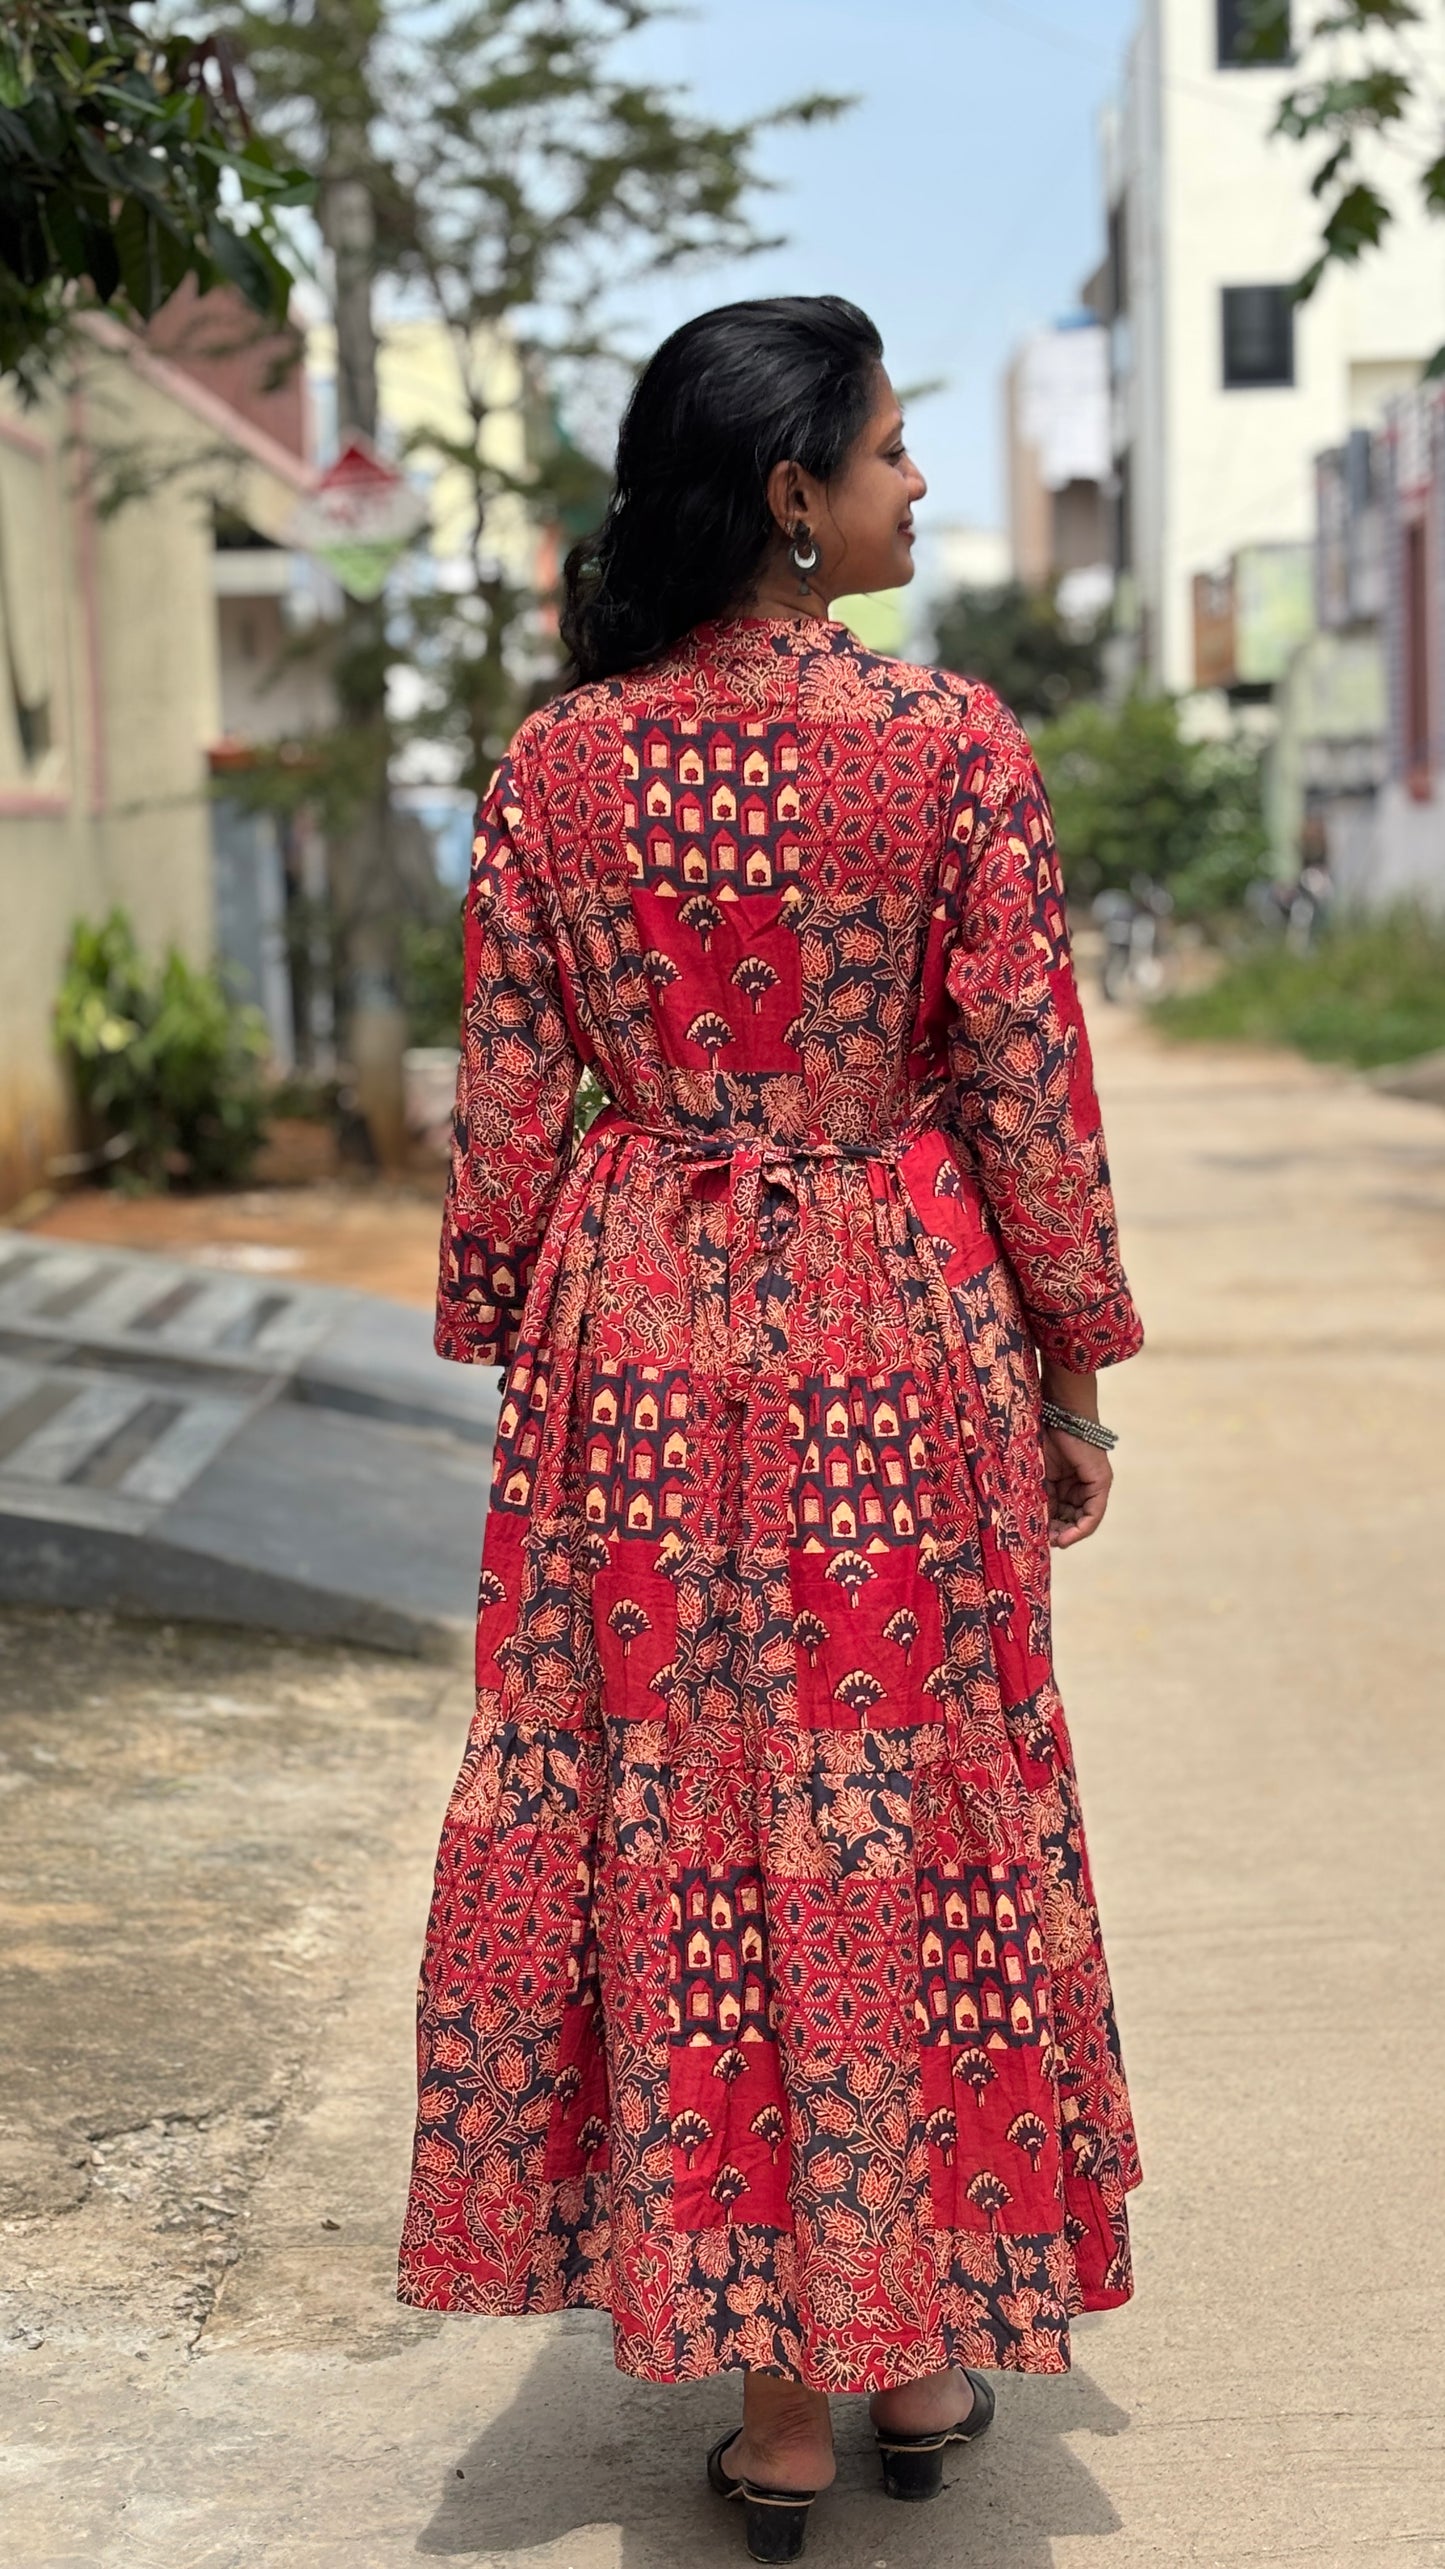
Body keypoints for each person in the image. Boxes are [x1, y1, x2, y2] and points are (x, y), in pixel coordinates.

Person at [399, 296, 1143, 2564]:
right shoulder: (953, 748)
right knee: (890, 1800)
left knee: (691, 1823)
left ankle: (786, 2399)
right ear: (792, 498)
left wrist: (513, 1327)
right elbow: (1022, 1073)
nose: (924, 486)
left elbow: (512, 1122)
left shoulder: (556, 770)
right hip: (895, 1336)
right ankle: (905, 2347)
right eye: (896, 454)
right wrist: (1071, 1361)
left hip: (640, 1333)